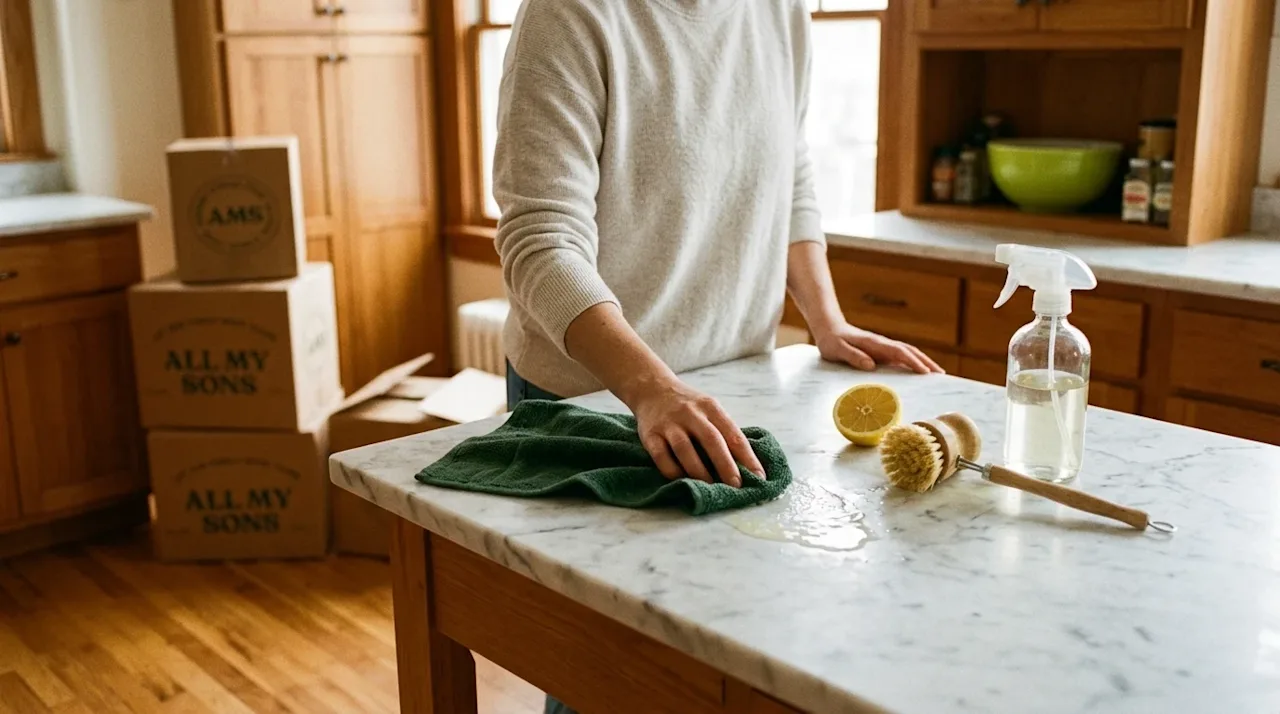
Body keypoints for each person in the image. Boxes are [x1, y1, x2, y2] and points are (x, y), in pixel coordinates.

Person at [494, 1, 941, 710]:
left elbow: (788, 168)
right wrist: (652, 389)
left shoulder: (780, 9)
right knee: (603, 673)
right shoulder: (570, 13)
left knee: (716, 655)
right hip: (596, 397)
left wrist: (825, 319)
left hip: (733, 381)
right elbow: (541, 240)